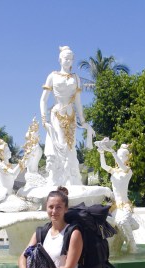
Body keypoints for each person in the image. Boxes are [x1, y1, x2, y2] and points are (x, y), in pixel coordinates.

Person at [40, 46, 95, 186]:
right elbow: (43, 100)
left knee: (71, 145)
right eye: (66, 58)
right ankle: (59, 178)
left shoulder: (75, 78)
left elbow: (78, 102)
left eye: (71, 59)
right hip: (57, 113)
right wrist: (44, 119)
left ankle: (72, 177)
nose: (68, 61)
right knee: (61, 144)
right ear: (60, 59)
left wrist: (83, 121)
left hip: (71, 115)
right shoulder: (53, 76)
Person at [97, 141, 139, 253]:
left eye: (122, 156)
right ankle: (132, 224)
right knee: (115, 223)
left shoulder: (128, 171)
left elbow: (122, 166)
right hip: (115, 206)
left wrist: (113, 152)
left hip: (125, 205)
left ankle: (132, 246)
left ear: (127, 157)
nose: (119, 158)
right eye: (118, 156)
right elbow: (103, 166)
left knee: (121, 222)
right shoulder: (114, 171)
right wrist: (101, 153)